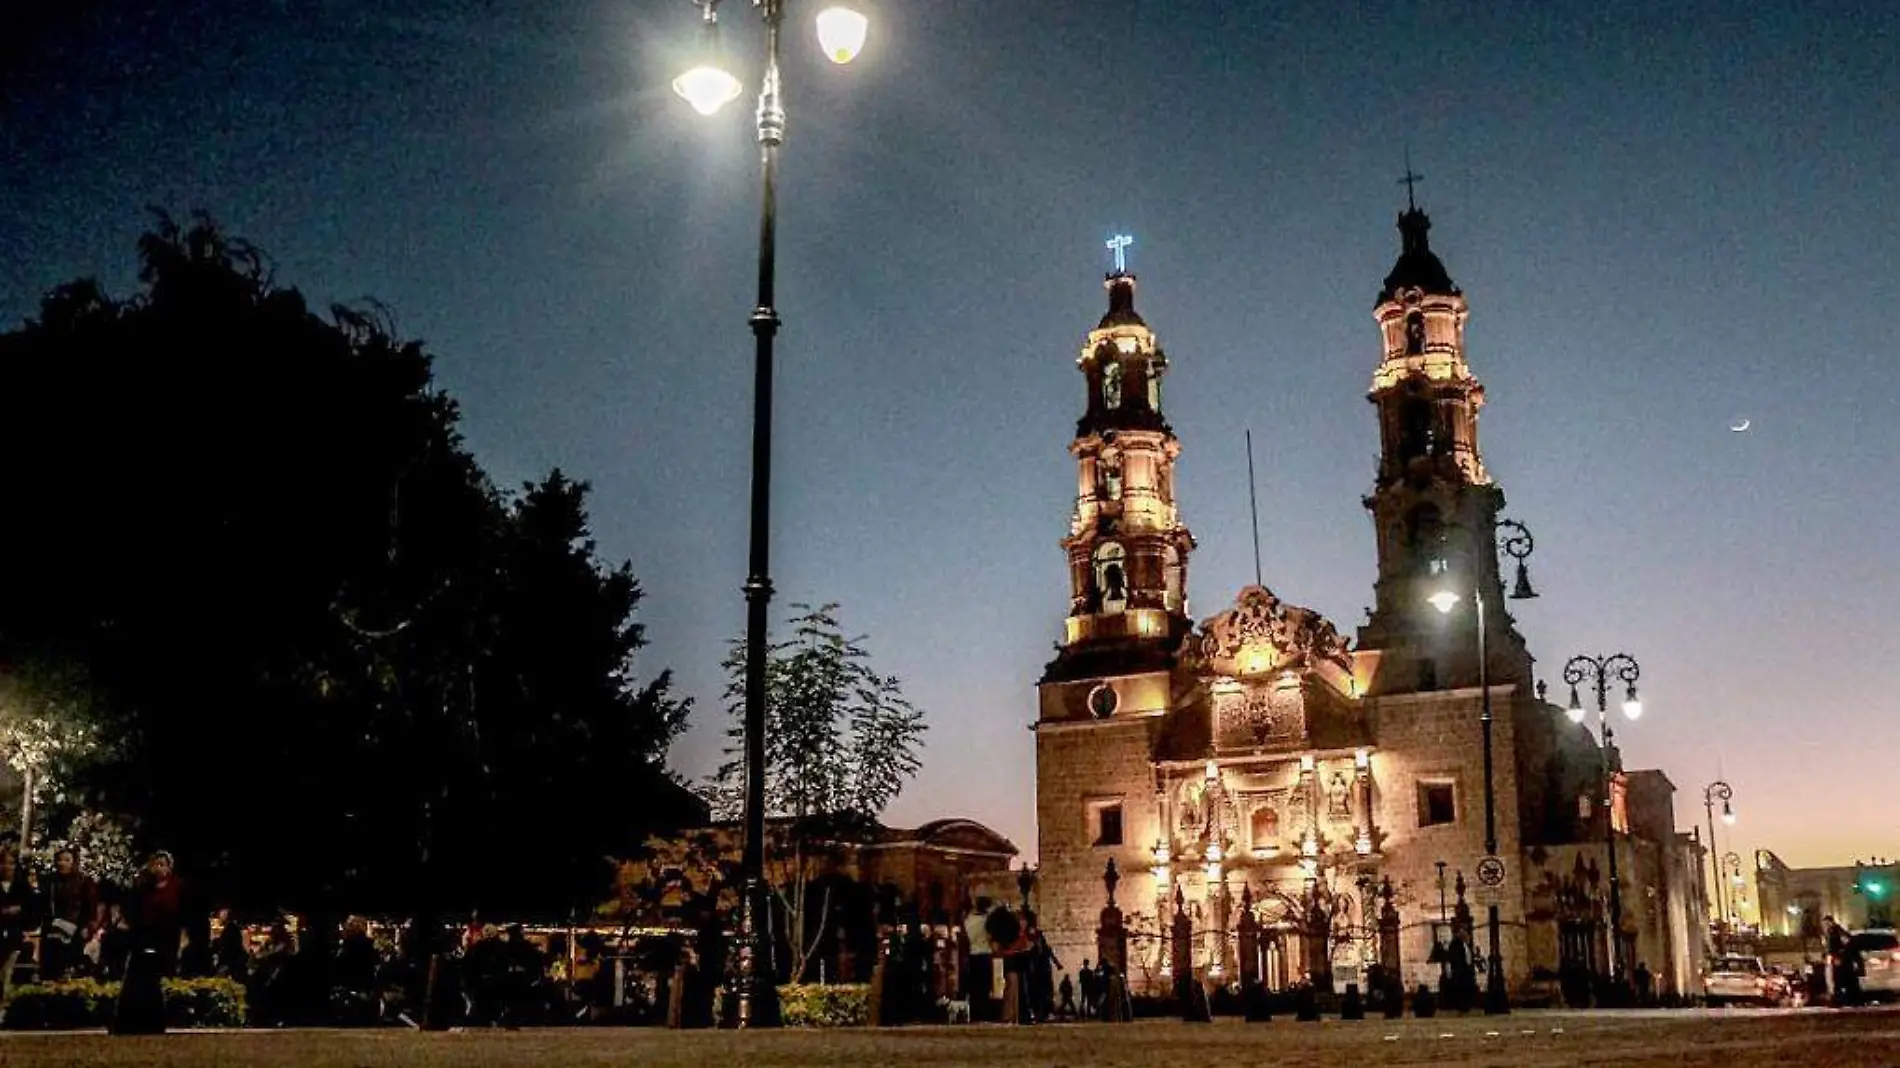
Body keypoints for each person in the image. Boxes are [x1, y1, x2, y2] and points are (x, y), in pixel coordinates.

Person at [41, 847, 104, 981]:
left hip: (76, 928)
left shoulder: (84, 882)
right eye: (59, 860)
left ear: (74, 862)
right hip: (53, 927)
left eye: (67, 860)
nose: (62, 863)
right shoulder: (50, 881)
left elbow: (91, 908)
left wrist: (87, 927)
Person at [0, 847, 38, 1000]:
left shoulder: (22, 886)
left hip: (15, 934)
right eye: (2, 863)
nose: (6, 867)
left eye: (10, 863)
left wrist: (19, 911)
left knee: (8, 971)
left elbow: (31, 908)